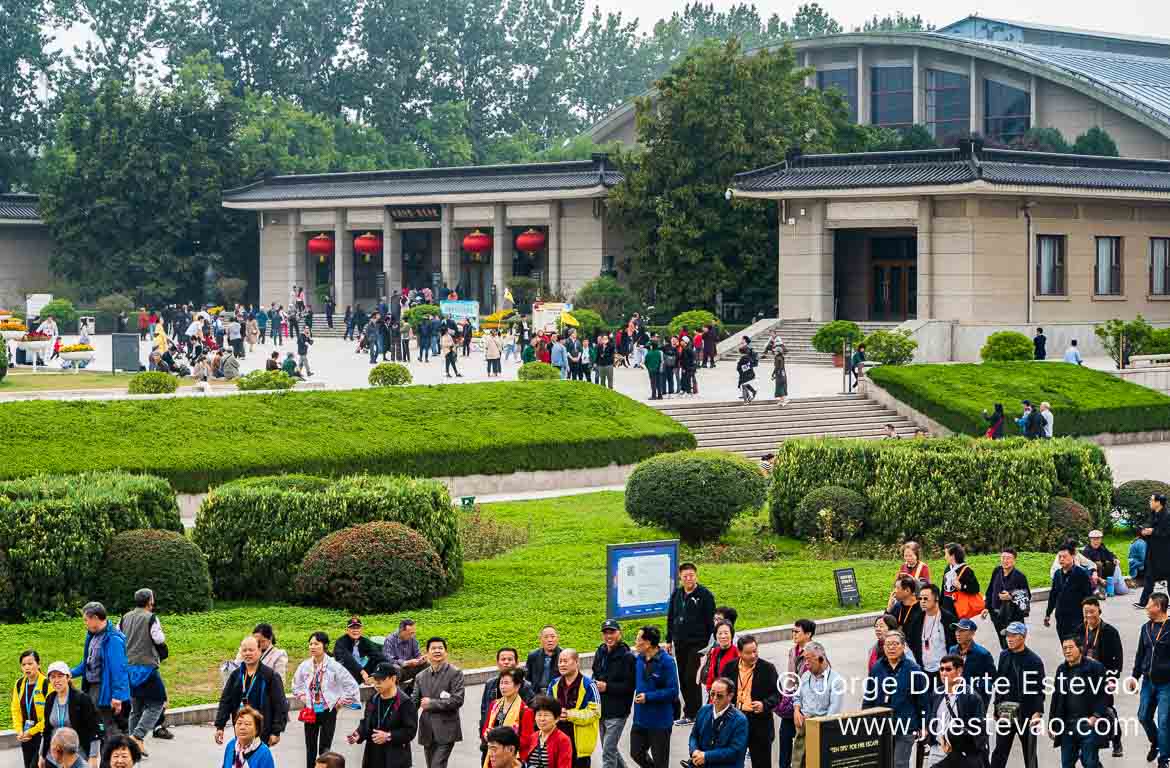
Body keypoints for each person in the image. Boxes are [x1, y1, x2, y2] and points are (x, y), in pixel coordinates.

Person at [292, 631, 361, 768]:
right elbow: (296, 684)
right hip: (311, 710)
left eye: (316, 644)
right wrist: (303, 696)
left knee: (325, 747)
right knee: (310, 747)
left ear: (325, 645)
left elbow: (351, 685)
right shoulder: (305, 665)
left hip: (328, 710)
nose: (312, 647)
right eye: (310, 644)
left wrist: (341, 701)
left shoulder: (334, 666)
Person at [862, 631, 926, 768]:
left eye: (895, 644)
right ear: (883, 647)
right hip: (881, 726)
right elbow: (869, 697)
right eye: (888, 644)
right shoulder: (877, 668)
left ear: (903, 647)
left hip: (905, 725)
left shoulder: (914, 669)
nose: (891, 648)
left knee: (899, 764)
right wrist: (865, 720)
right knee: (883, 762)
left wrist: (923, 725)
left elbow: (922, 700)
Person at [117, 589, 166, 755]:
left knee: (136, 707)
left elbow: (119, 636)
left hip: (129, 668)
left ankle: (131, 746)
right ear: (149, 601)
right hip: (146, 667)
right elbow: (159, 639)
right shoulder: (151, 618)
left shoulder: (124, 618)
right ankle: (137, 737)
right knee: (158, 702)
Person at [216, 636, 288, 749]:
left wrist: (276, 731)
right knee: (241, 759)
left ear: (260, 651)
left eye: (251, 650)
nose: (247, 653)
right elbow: (226, 701)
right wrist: (220, 726)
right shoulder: (235, 675)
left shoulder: (270, 676)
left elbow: (280, 705)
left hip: (262, 730)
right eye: (244, 650)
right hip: (241, 728)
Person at [990, 622, 1045, 768]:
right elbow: (999, 683)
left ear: (1023, 637)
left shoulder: (1034, 661)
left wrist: (1037, 713)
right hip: (1006, 711)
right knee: (1000, 751)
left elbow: (1039, 690)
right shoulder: (1004, 656)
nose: (1009, 638)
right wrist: (996, 707)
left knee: (1029, 753)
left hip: (1026, 713)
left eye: (1013, 635)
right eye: (1007, 635)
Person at [666, 563, 715, 726]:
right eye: (685, 576)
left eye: (691, 575)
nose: (688, 579)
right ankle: (689, 713)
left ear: (696, 576)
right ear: (680, 577)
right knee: (683, 677)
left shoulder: (705, 595)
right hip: (680, 643)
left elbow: (710, 622)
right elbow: (670, 617)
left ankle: (694, 712)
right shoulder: (677, 594)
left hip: (697, 644)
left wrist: (709, 645)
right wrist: (669, 640)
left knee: (691, 677)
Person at [73, 602, 129, 742]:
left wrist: (117, 697)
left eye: (86, 619)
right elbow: (87, 663)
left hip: (104, 690)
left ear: (96, 618)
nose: (85, 623)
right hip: (93, 688)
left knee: (106, 724)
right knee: (99, 723)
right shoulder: (93, 636)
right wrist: (69, 672)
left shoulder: (113, 639)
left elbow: (119, 670)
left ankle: (120, 752)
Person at [1076, 597, 1124, 757]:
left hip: (1103, 679)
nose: (1089, 615)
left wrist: (1113, 679)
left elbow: (1118, 658)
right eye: (1085, 612)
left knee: (1107, 711)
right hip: (1083, 679)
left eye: (1092, 611)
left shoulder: (1110, 632)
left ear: (1099, 611)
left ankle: (1116, 741)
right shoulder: (1079, 630)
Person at [719, 634, 777, 767]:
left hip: (759, 721)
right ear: (739, 652)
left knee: (761, 762)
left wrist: (764, 704)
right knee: (732, 761)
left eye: (755, 651)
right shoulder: (729, 668)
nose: (753, 655)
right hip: (735, 718)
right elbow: (722, 690)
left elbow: (777, 694)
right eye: (748, 653)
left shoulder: (767, 668)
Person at [1049, 636, 1107, 768]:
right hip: (1067, 725)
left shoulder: (1095, 668)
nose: (1067, 651)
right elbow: (1056, 696)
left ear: (1080, 649)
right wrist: (1052, 722)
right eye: (1064, 649)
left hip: (1088, 725)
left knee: (1090, 762)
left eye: (1070, 647)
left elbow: (1104, 695)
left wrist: (1095, 716)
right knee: (1067, 763)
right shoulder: (1061, 669)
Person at [347, 662, 418, 768]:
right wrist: (358, 734)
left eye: (381, 679)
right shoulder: (373, 699)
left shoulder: (405, 702)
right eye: (375, 679)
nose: (377, 683)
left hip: (394, 757)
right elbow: (366, 722)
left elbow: (410, 731)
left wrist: (389, 736)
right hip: (373, 756)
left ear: (393, 679)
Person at [923, 654, 988, 768]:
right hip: (936, 750)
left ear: (959, 671)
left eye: (948, 669)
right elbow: (931, 720)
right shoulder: (936, 694)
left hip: (959, 754)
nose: (943, 673)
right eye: (941, 669)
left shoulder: (971, 697)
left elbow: (978, 732)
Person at [411, 637, 465, 768]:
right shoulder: (420, 676)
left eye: (440, 648)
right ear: (427, 652)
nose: (437, 651)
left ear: (446, 652)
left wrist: (431, 703)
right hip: (427, 730)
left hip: (447, 729)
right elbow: (414, 702)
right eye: (433, 648)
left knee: (437, 765)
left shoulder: (455, 673)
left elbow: (457, 700)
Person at [790, 641, 843, 768]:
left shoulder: (836, 681)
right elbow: (797, 697)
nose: (806, 664)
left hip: (822, 732)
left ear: (821, 659)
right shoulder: (805, 676)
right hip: (803, 730)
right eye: (804, 660)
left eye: (809, 660)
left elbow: (832, 712)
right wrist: (796, 711)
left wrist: (814, 721)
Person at [630, 626, 677, 768]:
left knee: (660, 762)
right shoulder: (639, 659)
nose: (635, 642)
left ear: (648, 643)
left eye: (638, 639)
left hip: (660, 722)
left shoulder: (667, 662)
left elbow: (673, 691)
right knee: (636, 753)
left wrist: (648, 697)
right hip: (640, 719)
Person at [592, 620, 636, 768]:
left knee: (608, 751)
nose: (609, 636)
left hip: (618, 711)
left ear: (620, 633)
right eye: (606, 633)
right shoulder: (601, 651)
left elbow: (630, 686)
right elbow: (595, 673)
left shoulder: (627, 657)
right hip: (601, 709)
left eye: (612, 632)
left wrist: (607, 687)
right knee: (608, 748)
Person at [41, 661, 101, 768]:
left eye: (60, 676)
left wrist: (93, 756)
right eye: (53, 677)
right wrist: (41, 755)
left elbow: (95, 729)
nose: (56, 680)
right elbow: (47, 729)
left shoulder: (82, 699)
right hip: (54, 757)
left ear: (68, 677)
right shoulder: (50, 699)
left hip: (76, 758)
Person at [548, 649, 600, 768]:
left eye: (565, 661)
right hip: (558, 741)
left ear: (577, 662)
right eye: (560, 661)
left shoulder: (589, 685)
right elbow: (547, 709)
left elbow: (595, 713)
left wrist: (569, 715)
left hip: (579, 746)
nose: (561, 664)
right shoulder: (553, 684)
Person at [686, 677, 747, 768]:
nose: (714, 698)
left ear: (730, 696)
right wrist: (694, 751)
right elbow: (694, 736)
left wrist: (706, 756)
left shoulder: (740, 720)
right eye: (712, 694)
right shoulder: (704, 710)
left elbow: (735, 750)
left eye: (719, 695)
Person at [480, 668, 535, 768]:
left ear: (517, 686)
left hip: (512, 758)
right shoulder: (494, 705)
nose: (502, 687)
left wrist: (503, 741)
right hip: (493, 755)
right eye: (501, 683)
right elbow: (486, 726)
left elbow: (526, 740)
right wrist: (487, 734)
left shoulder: (525, 711)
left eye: (506, 683)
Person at [779, 619, 815, 768]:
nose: (793, 634)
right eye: (792, 631)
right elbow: (790, 677)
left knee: (804, 749)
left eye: (797, 631)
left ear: (808, 634)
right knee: (785, 742)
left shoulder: (815, 653)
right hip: (791, 704)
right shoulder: (793, 651)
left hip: (805, 708)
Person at [982, 548, 1031, 650]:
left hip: (1013, 617)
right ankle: (1007, 663)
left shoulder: (1020, 576)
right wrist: (986, 607)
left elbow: (1027, 596)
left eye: (1008, 558)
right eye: (1003, 558)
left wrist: (1011, 596)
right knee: (1003, 643)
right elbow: (990, 589)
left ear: (1014, 561)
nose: (1005, 561)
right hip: (997, 616)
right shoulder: (997, 571)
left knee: (1014, 645)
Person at [1047, 542, 1095, 638]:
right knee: (1066, 647)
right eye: (1059, 557)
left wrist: (1088, 616)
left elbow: (1088, 597)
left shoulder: (1081, 574)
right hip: (1061, 618)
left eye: (1064, 557)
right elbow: (1053, 595)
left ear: (1073, 556)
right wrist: (1048, 613)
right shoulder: (1057, 574)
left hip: (1077, 619)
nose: (1061, 559)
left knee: (1077, 647)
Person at [948, 618, 996, 707]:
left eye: (962, 630)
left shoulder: (983, 654)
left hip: (975, 699)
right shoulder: (952, 650)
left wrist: (981, 697)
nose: (958, 633)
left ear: (972, 634)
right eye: (957, 630)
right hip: (956, 697)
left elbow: (993, 679)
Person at [13, 649, 48, 768]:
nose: (27, 667)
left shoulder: (47, 684)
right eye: (23, 665)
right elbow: (15, 710)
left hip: (43, 734)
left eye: (30, 663)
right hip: (25, 735)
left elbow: (50, 716)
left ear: (38, 665)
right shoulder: (19, 684)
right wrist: (20, 731)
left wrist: (31, 731)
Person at [916, 583, 957, 679]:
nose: (922, 601)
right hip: (923, 671)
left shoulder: (948, 619)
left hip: (944, 671)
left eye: (926, 598)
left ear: (936, 598)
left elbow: (955, 644)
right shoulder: (917, 619)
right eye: (920, 599)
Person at [334, 616, 388, 685]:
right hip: (347, 670)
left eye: (358, 628)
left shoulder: (364, 641)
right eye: (352, 628)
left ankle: (374, 679)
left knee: (380, 662)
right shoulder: (341, 642)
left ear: (361, 630)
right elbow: (348, 659)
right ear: (347, 630)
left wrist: (376, 674)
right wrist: (362, 671)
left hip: (363, 670)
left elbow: (377, 655)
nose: (355, 630)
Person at [1140, 493, 1170, 608]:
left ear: (1158, 502)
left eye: (1151, 500)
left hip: (1165, 553)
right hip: (1152, 552)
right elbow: (1148, 527)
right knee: (1149, 577)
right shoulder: (1153, 514)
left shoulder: (1167, 516)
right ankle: (1143, 602)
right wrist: (1144, 532)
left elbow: (1166, 533)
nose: (1150, 502)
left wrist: (1153, 531)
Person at [528, 695, 574, 768]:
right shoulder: (532, 737)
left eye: (546, 715)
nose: (542, 719)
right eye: (539, 715)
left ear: (557, 719)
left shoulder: (563, 740)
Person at [941, 543, 981, 619]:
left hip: (959, 608)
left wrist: (961, 586)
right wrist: (940, 604)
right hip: (946, 606)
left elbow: (975, 588)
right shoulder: (948, 568)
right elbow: (943, 588)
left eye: (946, 554)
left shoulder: (966, 570)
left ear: (952, 556)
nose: (945, 557)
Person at [701, 622, 738, 699]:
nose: (723, 636)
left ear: (732, 635)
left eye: (726, 633)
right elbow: (711, 673)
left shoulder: (736, 652)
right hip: (715, 695)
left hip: (729, 696)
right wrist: (709, 689)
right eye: (720, 633)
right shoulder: (715, 651)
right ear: (716, 636)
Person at [890, 576, 924, 652]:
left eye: (897, 588)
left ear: (907, 590)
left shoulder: (921, 609)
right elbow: (887, 626)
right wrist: (889, 609)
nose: (894, 591)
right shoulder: (897, 606)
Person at [527, 627, 563, 695]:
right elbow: (527, 678)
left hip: (557, 695)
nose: (550, 640)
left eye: (552, 637)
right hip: (536, 695)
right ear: (540, 639)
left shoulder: (564, 655)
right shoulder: (533, 655)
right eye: (546, 637)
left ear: (558, 638)